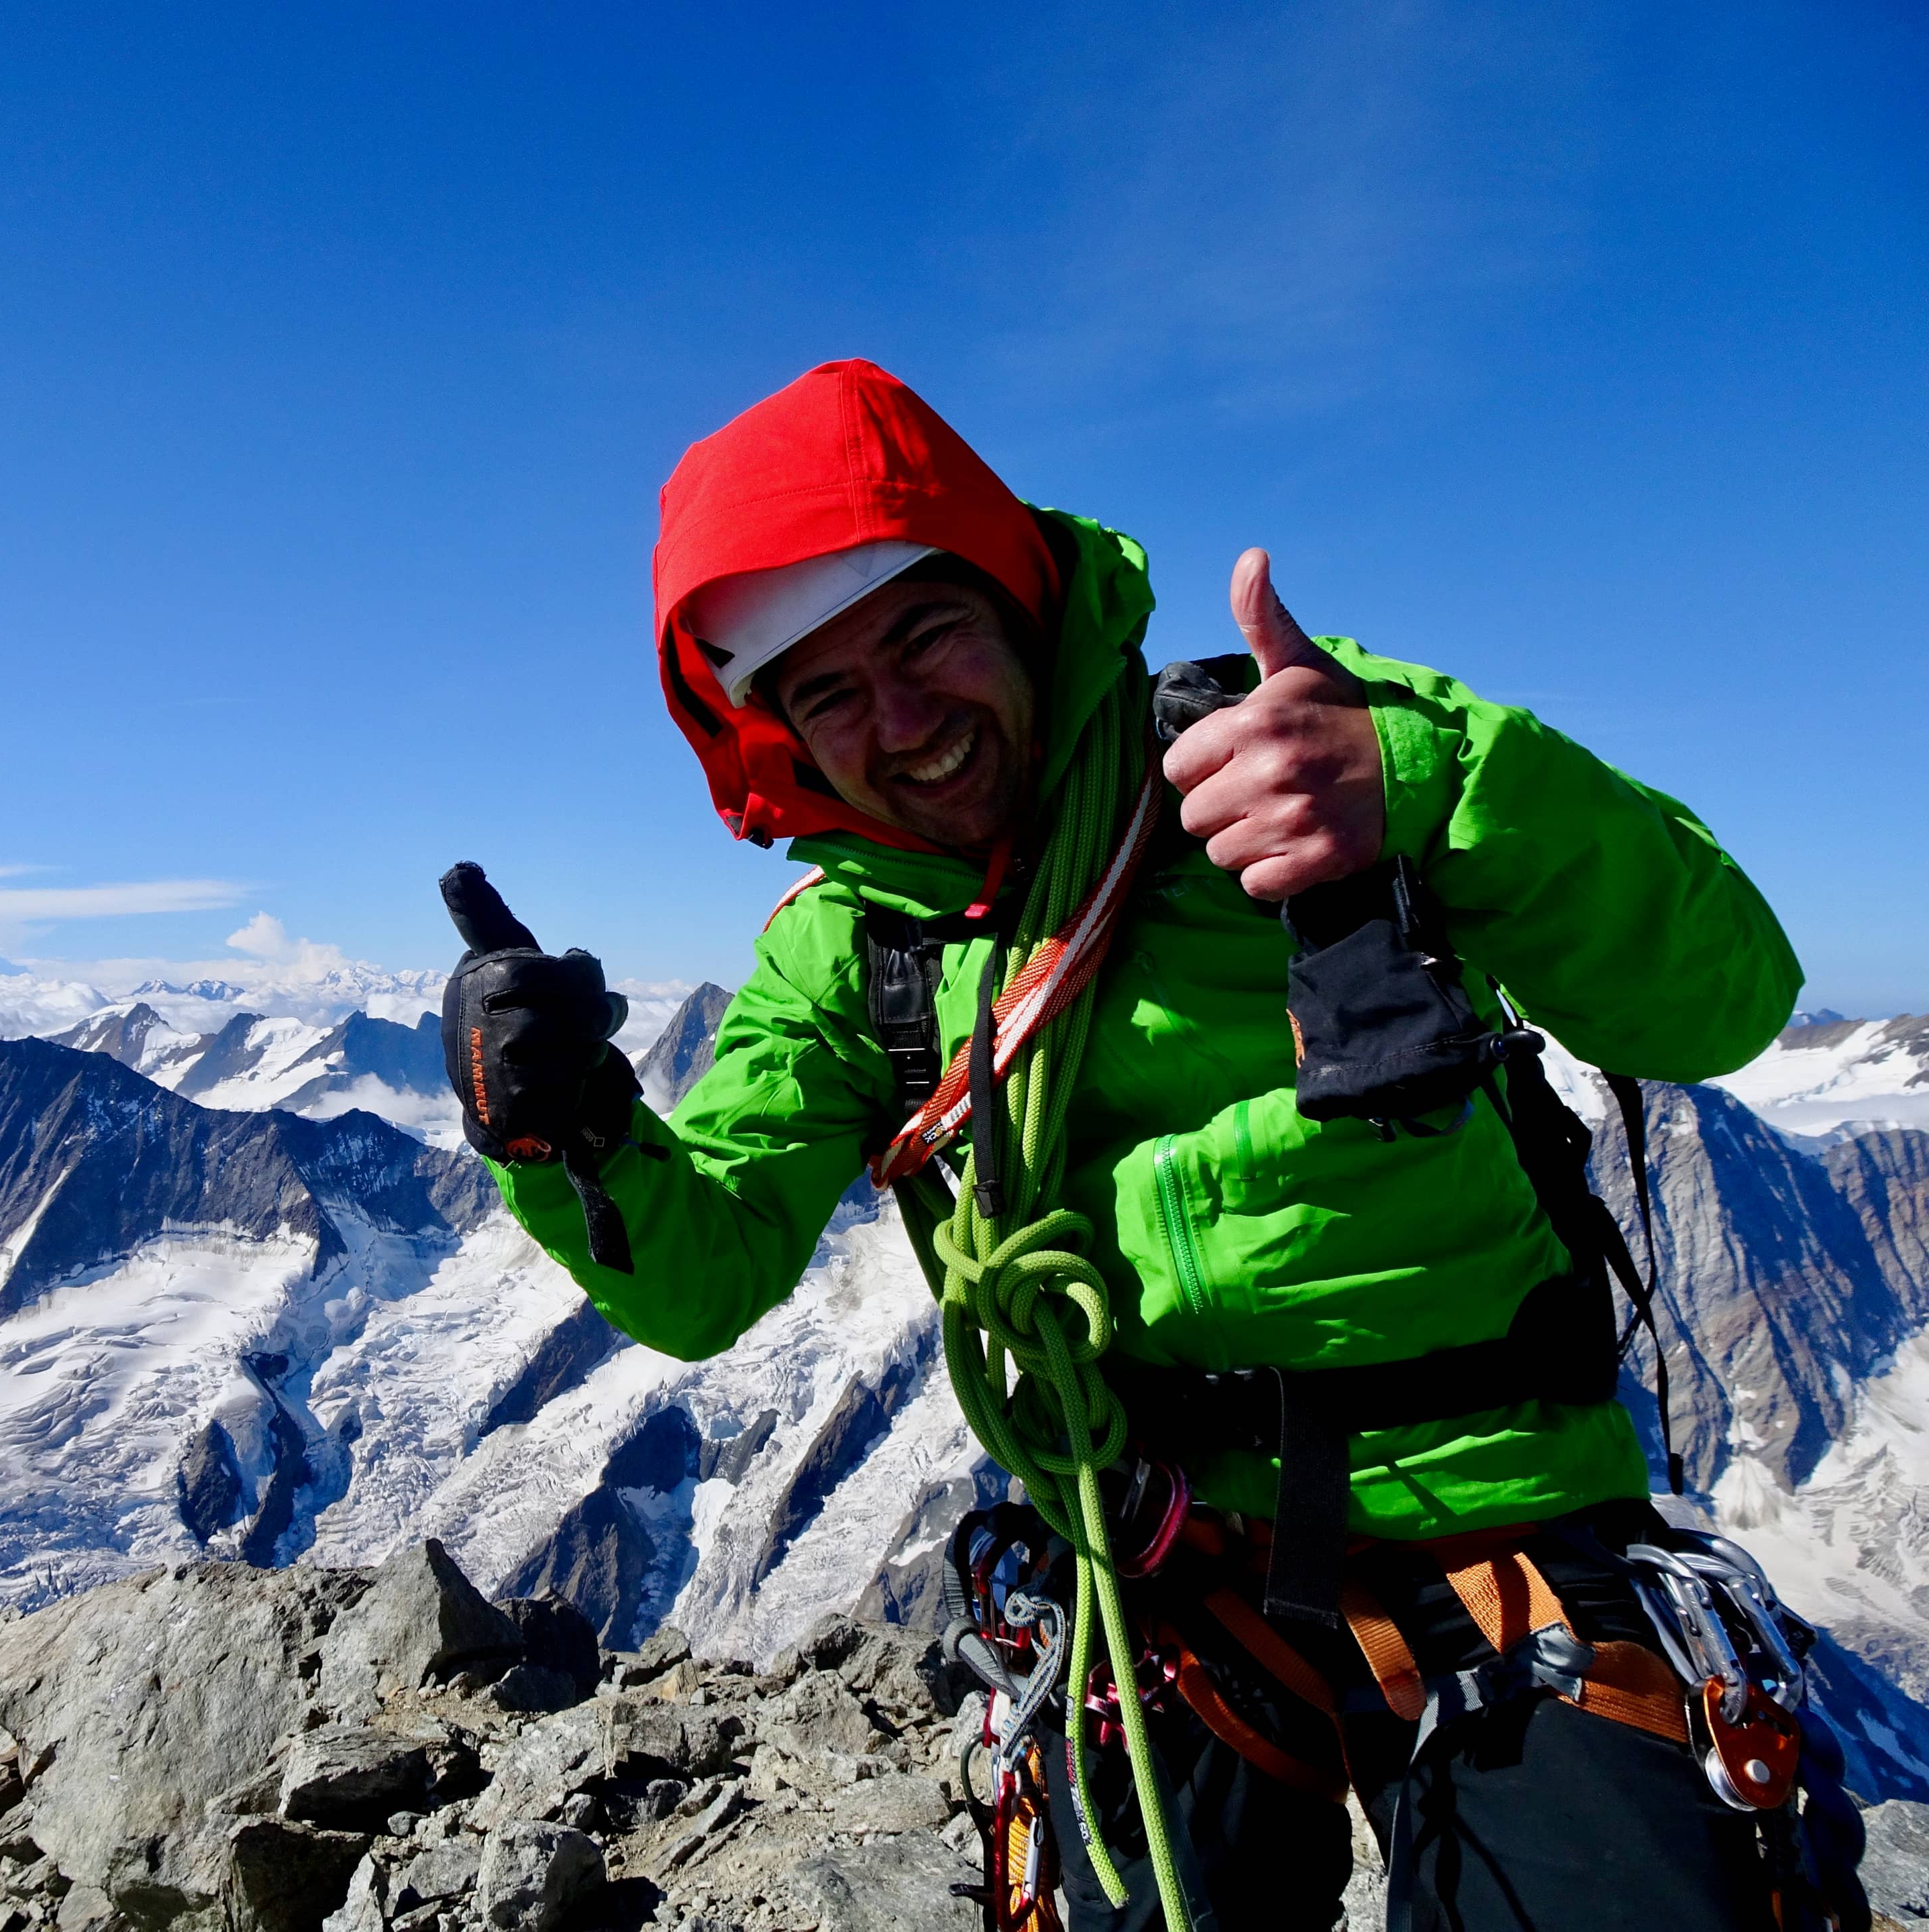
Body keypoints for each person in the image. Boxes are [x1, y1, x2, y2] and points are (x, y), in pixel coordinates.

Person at [438, 360, 1855, 1929]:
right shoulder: (841, 956)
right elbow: (698, 1278)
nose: (900, 727)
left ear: (1024, 600)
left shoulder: (1287, 748)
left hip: (1490, 1509)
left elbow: (1726, 1000)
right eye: (826, 692)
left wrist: (1433, 781)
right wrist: (564, 1137)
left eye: (925, 635)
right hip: (1154, 1572)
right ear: (768, 732)